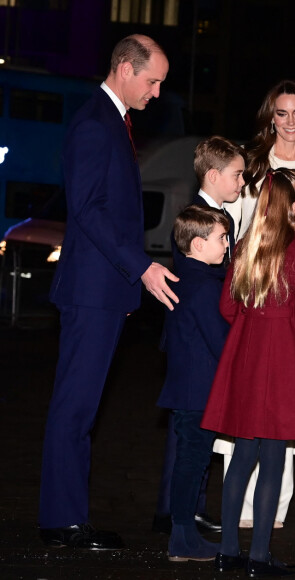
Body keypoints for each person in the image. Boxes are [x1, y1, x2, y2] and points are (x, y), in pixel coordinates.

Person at [38, 35, 178, 550]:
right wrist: (142, 267)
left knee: (81, 407)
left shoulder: (111, 120)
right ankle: (62, 520)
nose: (157, 92)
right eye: (152, 80)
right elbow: (89, 210)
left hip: (102, 290)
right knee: (75, 407)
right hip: (93, 290)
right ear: (124, 68)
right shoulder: (96, 123)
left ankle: (65, 515)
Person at [221, 79, 295, 528]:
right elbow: (235, 221)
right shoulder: (252, 159)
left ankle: (273, 512)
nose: (290, 123)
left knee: (289, 405)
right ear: (272, 116)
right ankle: (242, 512)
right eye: (282, 113)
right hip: (254, 285)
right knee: (247, 400)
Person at [202, 168, 295, 577]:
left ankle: (226, 552)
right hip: (284, 357)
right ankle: (258, 557)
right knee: (273, 459)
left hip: (247, 354)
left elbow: (225, 308)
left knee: (241, 456)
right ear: (294, 207)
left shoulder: (243, 247)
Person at [152, 136, 246, 536]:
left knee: (193, 444)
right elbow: (201, 297)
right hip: (197, 354)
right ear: (214, 175)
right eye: (237, 174)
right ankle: (176, 516)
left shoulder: (218, 217)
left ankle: (184, 511)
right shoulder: (200, 221)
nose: (242, 181)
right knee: (189, 445)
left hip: (196, 348)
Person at [156, 206, 231, 562]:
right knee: (192, 462)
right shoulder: (203, 286)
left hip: (186, 384)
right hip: (197, 388)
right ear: (198, 245)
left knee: (192, 460)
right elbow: (220, 341)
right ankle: (182, 538)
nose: (227, 244)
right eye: (221, 238)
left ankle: (183, 537)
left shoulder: (183, 278)